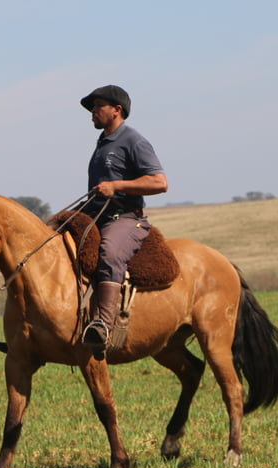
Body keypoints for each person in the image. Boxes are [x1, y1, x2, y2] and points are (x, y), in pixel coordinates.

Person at [77, 84, 168, 355]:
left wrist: (116, 186)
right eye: (92, 107)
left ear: (117, 110)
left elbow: (160, 182)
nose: (93, 111)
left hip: (126, 218)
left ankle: (103, 326)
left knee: (109, 251)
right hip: (96, 213)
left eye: (98, 106)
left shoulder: (133, 140)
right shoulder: (103, 142)